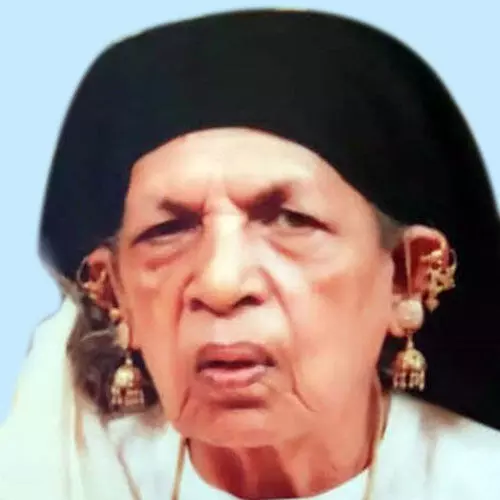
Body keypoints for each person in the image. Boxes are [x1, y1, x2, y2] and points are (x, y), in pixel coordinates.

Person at [1, 8, 500, 500]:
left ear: (408, 277)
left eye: (291, 220)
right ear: (114, 296)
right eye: (167, 230)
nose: (220, 284)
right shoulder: (67, 478)